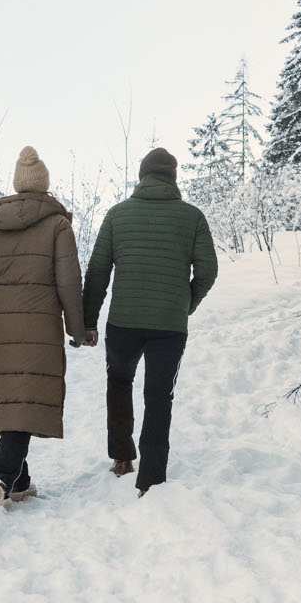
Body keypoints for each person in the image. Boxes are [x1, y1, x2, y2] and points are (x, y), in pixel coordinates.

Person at [81, 146, 217, 493]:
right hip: (169, 327)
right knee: (159, 396)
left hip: (123, 321)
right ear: (173, 178)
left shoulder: (117, 215)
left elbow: (97, 271)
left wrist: (89, 320)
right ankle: (152, 478)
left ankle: (123, 458)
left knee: (119, 383)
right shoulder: (193, 217)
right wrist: (185, 303)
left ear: (142, 176)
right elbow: (208, 270)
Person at [0, 146, 94, 507]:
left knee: (16, 402)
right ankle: (1, 476)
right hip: (39, 328)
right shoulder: (57, 225)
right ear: (44, 185)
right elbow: (68, 282)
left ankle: (22, 483)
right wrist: (77, 329)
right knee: (25, 402)